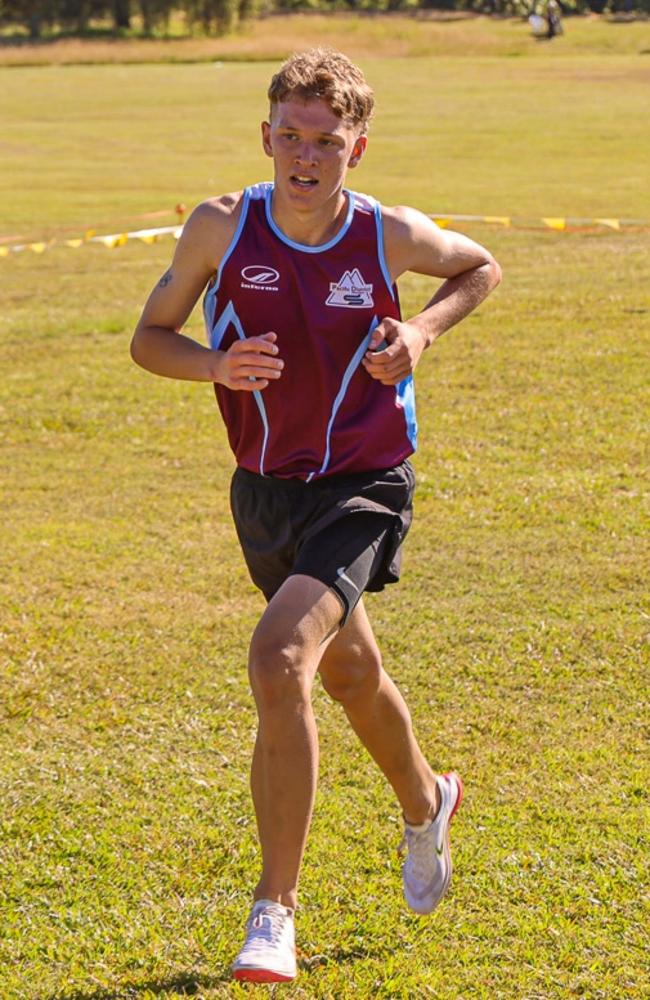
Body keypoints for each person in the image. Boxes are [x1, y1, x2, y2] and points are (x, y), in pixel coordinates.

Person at [131, 48, 501, 984]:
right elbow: (149, 339)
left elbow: (478, 268)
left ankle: (273, 913)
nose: (305, 156)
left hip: (365, 480)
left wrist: (419, 331)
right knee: (348, 671)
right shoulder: (221, 227)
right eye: (289, 138)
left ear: (357, 148)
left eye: (326, 142)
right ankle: (428, 802)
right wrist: (212, 365)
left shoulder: (386, 235)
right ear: (265, 138)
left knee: (278, 657)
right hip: (265, 490)